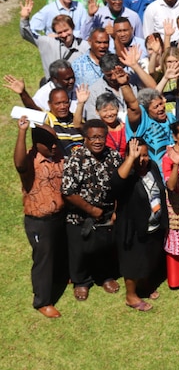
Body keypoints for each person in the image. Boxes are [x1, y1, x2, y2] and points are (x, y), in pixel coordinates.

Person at [61, 119, 123, 302]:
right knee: (79, 251)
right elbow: (67, 191)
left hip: (106, 214)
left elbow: (120, 185)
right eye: (93, 137)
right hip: (79, 216)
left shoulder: (113, 156)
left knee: (104, 248)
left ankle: (104, 276)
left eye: (101, 137)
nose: (98, 141)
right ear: (85, 139)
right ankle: (81, 281)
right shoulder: (76, 158)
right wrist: (90, 209)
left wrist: (116, 210)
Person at [14, 118, 66, 318]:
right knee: (43, 259)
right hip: (39, 220)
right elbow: (18, 164)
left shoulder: (57, 155)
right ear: (37, 144)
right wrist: (21, 132)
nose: (54, 146)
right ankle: (42, 301)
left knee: (59, 251)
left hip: (59, 215)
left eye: (55, 141)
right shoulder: (30, 160)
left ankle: (61, 278)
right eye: (49, 143)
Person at [112, 137, 166, 312]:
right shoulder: (126, 173)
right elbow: (116, 184)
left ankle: (144, 283)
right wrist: (131, 159)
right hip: (132, 227)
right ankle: (131, 296)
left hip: (153, 224)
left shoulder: (152, 167)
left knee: (149, 256)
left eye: (145, 155)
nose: (143, 159)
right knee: (132, 262)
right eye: (138, 156)